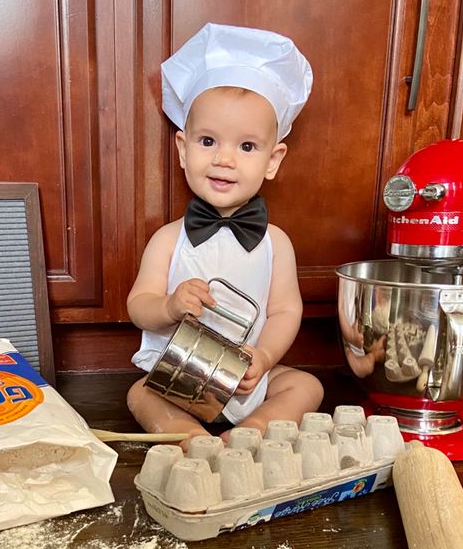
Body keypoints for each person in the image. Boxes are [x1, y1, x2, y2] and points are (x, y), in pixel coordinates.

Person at [126, 22, 324, 443]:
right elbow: (138, 306)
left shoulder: (275, 244)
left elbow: (286, 311)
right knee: (140, 393)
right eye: (208, 141)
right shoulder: (168, 239)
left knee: (307, 386)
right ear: (183, 149)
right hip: (178, 376)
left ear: (273, 160)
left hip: (248, 378)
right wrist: (169, 305)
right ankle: (190, 438)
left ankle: (251, 431)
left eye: (247, 147)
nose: (224, 160)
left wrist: (266, 356)